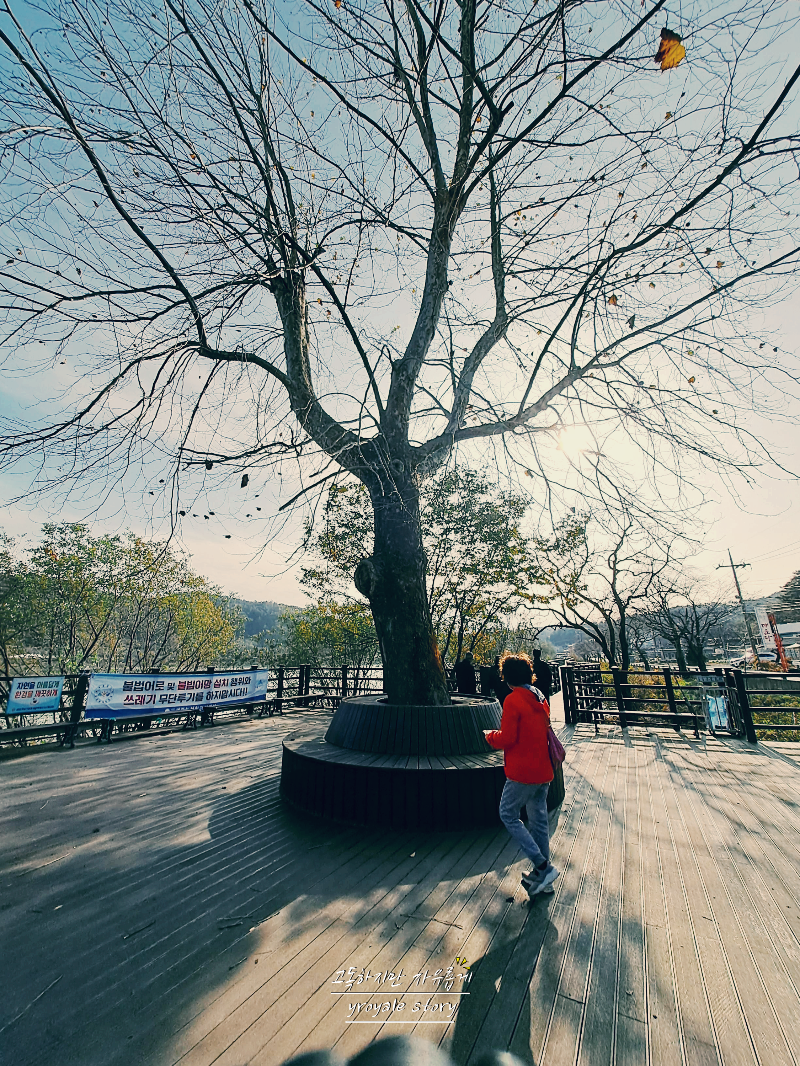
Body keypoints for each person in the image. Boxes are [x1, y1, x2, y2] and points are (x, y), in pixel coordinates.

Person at [483, 652, 559, 898]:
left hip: (523, 771)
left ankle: (543, 866)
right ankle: (543, 880)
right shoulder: (540, 697)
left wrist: (489, 736)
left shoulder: (513, 700)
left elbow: (508, 738)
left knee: (508, 814)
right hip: (544, 770)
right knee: (539, 821)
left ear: (507, 677)